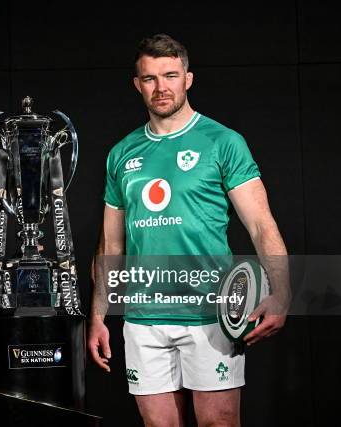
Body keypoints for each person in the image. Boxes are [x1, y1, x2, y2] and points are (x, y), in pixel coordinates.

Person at [88, 34, 290, 426]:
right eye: (149, 78)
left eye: (170, 75)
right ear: (137, 84)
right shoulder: (121, 153)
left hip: (210, 314)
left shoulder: (223, 142)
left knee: (219, 423)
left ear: (188, 79)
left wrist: (281, 294)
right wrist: (98, 315)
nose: (161, 87)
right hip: (144, 318)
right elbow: (111, 243)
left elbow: (261, 225)